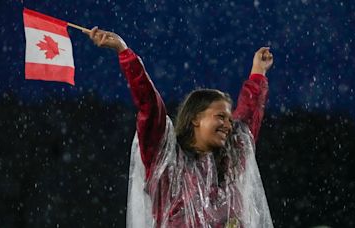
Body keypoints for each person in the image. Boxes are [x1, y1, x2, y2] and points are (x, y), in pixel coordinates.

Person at [85, 26, 274, 228]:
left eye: (229, 119)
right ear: (195, 119)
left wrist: (258, 72)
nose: (228, 125)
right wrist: (124, 52)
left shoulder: (231, 162)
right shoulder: (167, 162)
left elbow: (247, 116)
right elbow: (149, 105)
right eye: (220, 117)